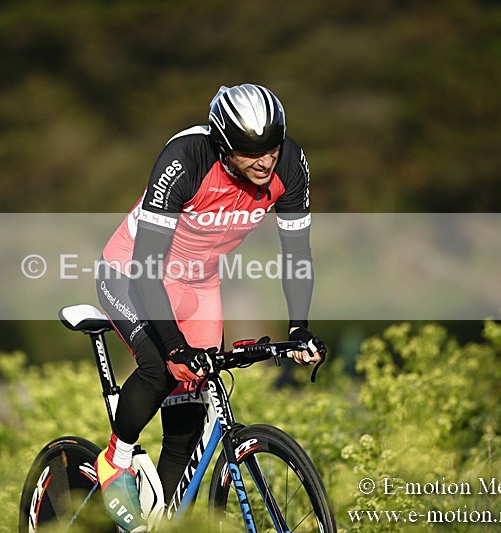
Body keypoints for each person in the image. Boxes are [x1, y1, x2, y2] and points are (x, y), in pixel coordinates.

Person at [94, 83, 324, 531]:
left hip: (199, 284)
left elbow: (296, 252)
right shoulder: (186, 160)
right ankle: (115, 460)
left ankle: (156, 522)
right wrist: (174, 346)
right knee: (162, 367)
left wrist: (299, 328)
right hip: (132, 273)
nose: (265, 162)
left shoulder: (290, 164)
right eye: (249, 152)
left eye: (272, 150)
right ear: (222, 145)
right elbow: (145, 267)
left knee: (190, 418)